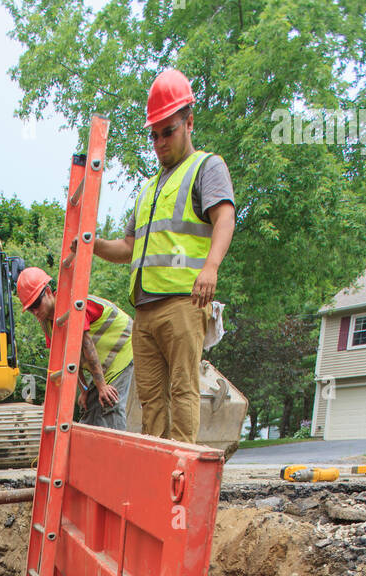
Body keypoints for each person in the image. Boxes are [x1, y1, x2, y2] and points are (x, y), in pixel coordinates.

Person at [93, 68, 235, 443]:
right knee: (151, 400)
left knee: (183, 389)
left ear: (189, 123)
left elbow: (224, 218)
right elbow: (127, 248)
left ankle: (182, 471)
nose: (159, 142)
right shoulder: (148, 190)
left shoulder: (206, 167)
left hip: (183, 303)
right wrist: (91, 243)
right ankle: (155, 474)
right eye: (154, 135)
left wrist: (211, 268)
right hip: (144, 310)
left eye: (168, 131)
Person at [15, 267, 134, 430]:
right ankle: (90, 455)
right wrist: (84, 390)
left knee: (109, 404)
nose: (35, 311)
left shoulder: (71, 306)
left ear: (48, 292)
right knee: (90, 412)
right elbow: (67, 356)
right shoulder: (48, 323)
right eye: (30, 308)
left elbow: (87, 345)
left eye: (36, 303)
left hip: (122, 348)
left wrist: (101, 386)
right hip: (102, 360)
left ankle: (117, 454)